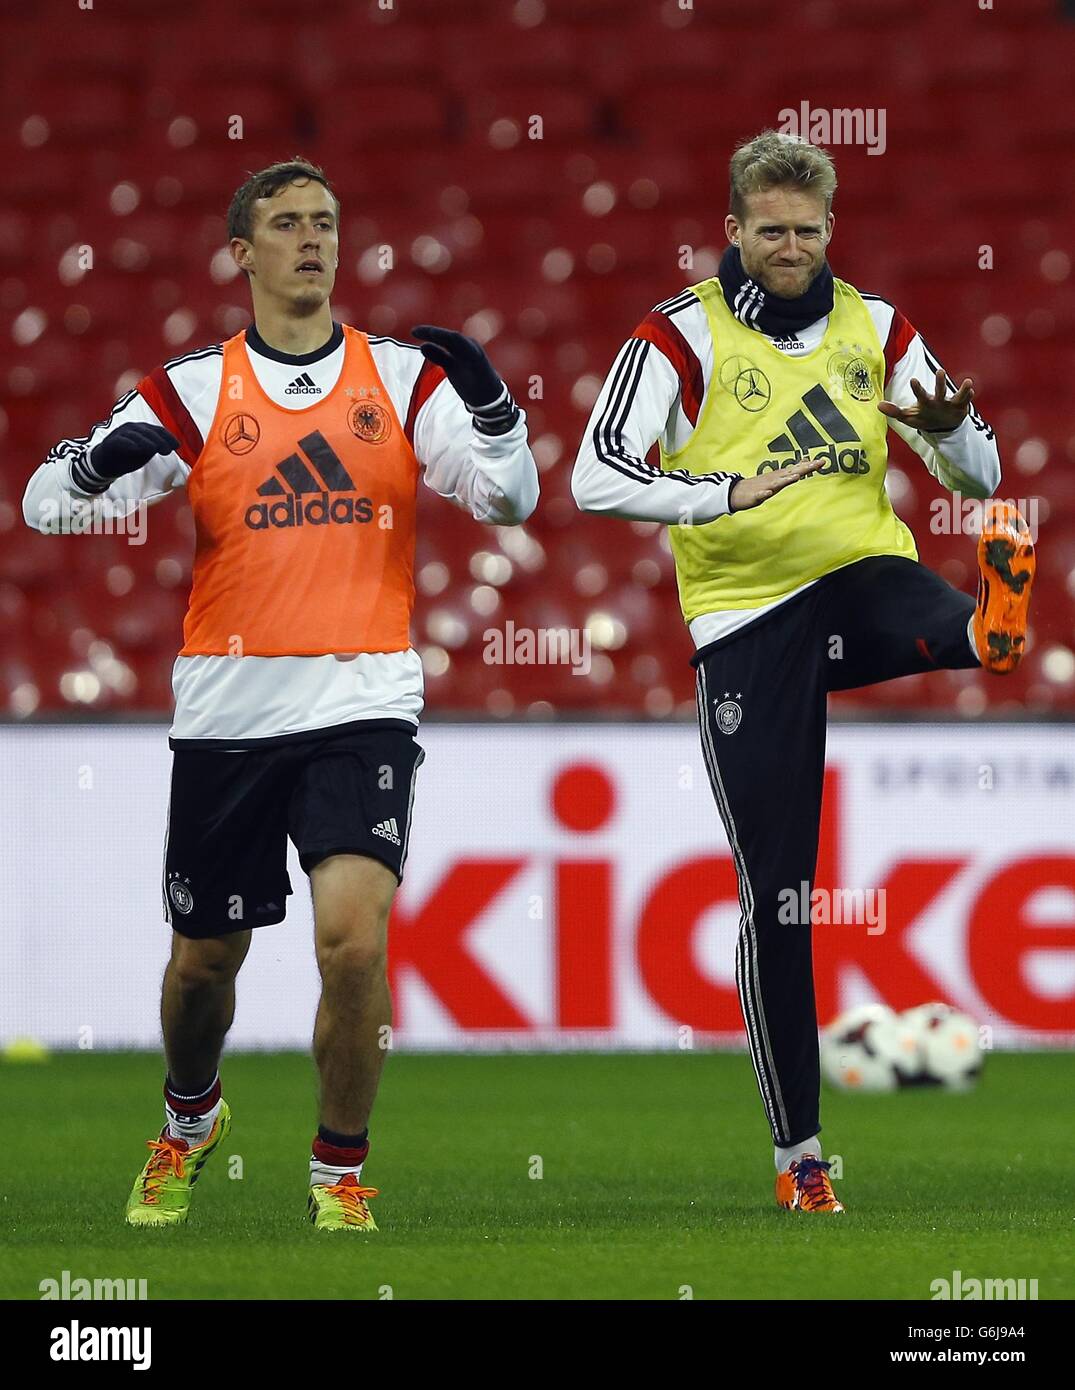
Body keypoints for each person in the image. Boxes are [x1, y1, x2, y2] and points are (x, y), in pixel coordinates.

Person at [23, 156, 539, 1233]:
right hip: (228, 711)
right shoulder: (193, 389)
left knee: (352, 942)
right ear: (240, 254)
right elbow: (42, 511)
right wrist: (93, 461)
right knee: (203, 965)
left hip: (362, 701)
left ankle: (339, 1173)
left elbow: (508, 497)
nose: (312, 239)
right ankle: (189, 1113)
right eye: (288, 223)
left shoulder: (403, 379)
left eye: (326, 223)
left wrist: (494, 410)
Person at [571, 130, 1034, 1215]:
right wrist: (717, 494)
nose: (791, 247)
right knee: (778, 896)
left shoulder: (874, 327)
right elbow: (595, 475)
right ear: (732, 231)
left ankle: (983, 632)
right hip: (744, 614)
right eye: (770, 230)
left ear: (831, 231)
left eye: (808, 230)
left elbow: (982, 471)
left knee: (919, 595)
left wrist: (954, 428)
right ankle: (800, 1157)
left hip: (857, 569)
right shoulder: (679, 335)